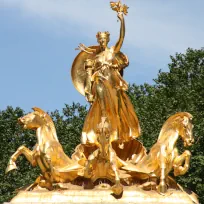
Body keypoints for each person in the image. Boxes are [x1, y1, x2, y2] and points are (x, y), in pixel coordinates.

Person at [81, 12, 141, 146]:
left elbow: (121, 37)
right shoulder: (95, 58)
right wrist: (88, 91)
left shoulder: (113, 51)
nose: (102, 41)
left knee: (115, 107)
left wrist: (122, 21)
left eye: (104, 39)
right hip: (100, 80)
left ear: (107, 40)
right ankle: (103, 124)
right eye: (100, 40)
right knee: (101, 100)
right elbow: (89, 76)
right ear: (98, 41)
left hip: (112, 83)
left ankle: (116, 131)